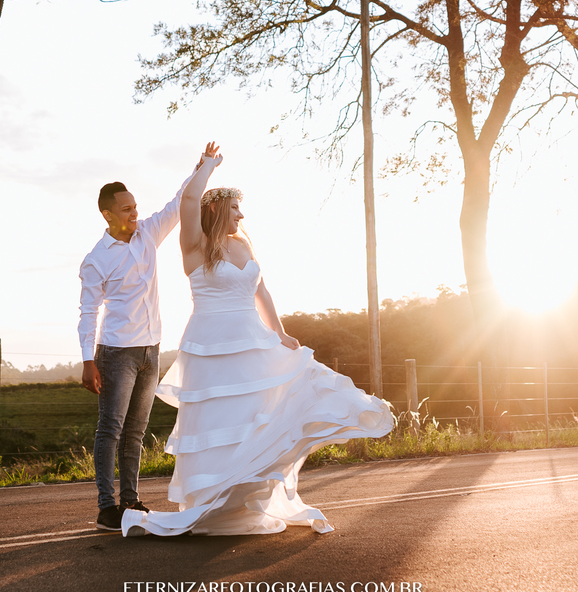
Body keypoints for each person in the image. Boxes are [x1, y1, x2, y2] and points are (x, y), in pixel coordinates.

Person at [122, 143, 393, 537]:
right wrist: (208, 167)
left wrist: (280, 333)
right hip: (211, 346)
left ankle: (244, 498)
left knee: (256, 417)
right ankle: (213, 500)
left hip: (253, 340)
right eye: (234, 208)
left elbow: (261, 292)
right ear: (216, 210)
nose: (241, 215)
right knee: (222, 421)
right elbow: (190, 197)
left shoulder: (243, 245)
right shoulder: (195, 246)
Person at [79, 146, 208, 532]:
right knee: (111, 429)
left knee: (135, 431)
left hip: (151, 350)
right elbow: (88, 312)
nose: (134, 213)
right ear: (107, 214)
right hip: (117, 353)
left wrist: (199, 170)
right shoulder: (96, 259)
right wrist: (88, 360)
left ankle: (131, 501)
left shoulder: (149, 233)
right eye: (126, 209)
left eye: (135, 207)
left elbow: (176, 203)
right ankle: (107, 507)